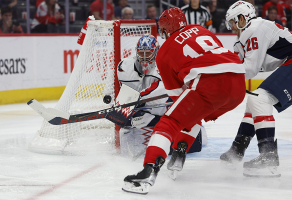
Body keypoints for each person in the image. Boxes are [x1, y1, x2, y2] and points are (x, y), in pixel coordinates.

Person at [122, 7, 246, 195]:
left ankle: (148, 171)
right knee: (195, 112)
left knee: (170, 121)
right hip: (238, 85)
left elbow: (178, 97)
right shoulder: (202, 29)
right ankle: (179, 153)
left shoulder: (163, 53)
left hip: (209, 84)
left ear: (165, 29)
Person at [220, 0, 292, 177]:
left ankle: (268, 156)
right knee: (254, 101)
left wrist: (221, 80)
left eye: (232, 22)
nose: (231, 27)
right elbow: (239, 64)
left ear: (242, 18)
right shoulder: (251, 31)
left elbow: (249, 69)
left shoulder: (254, 28)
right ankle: (238, 149)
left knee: (258, 98)